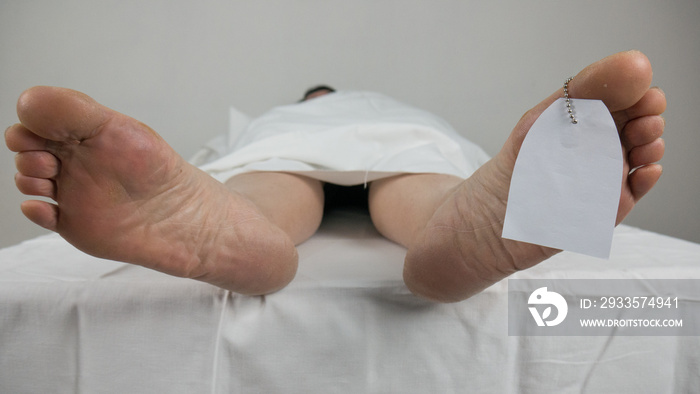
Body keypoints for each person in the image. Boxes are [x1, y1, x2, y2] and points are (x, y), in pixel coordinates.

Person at [4, 50, 666, 302]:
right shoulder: (387, 112)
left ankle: (245, 229)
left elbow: (215, 157)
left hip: (280, 151)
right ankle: (454, 227)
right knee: (420, 174)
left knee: (264, 178)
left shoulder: (277, 120)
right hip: (408, 144)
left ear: (313, 100)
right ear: (321, 100)